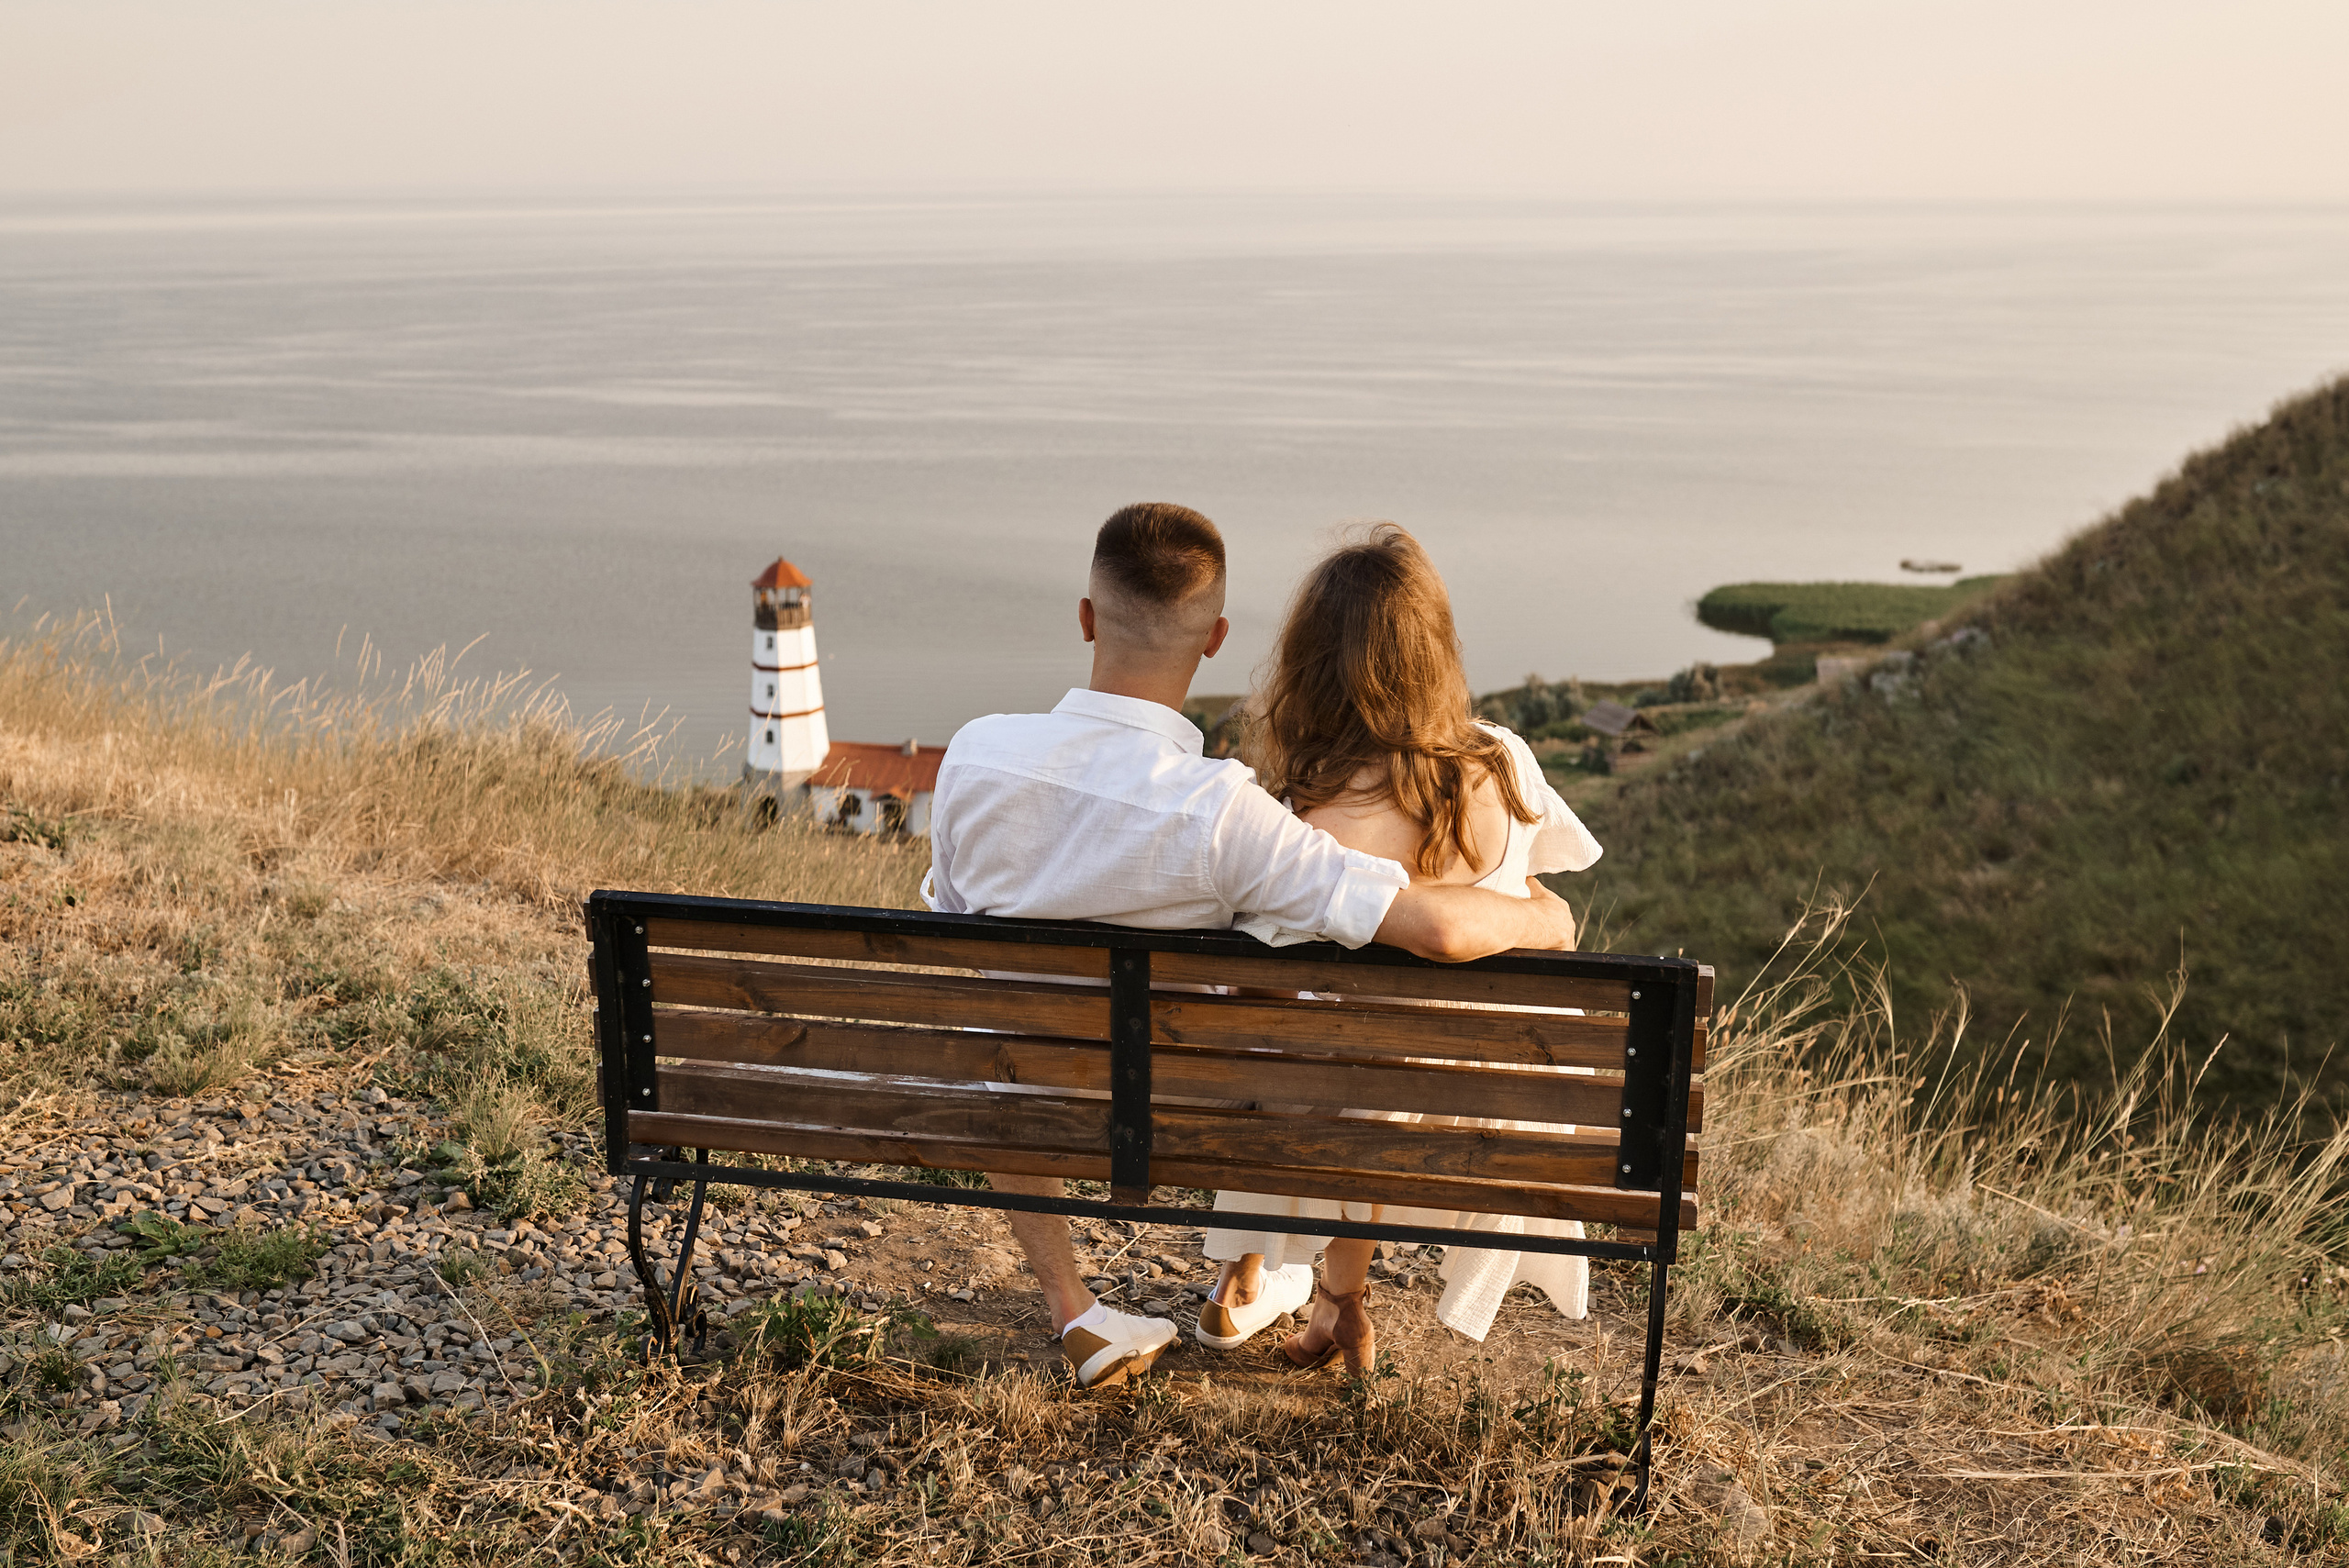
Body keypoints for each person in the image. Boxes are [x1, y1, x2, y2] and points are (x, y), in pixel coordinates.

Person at [922, 502, 1578, 1389]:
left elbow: (955, 935)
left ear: (1085, 617)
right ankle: (1266, 1281)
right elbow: (1439, 926)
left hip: (1012, 1083)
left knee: (997, 1031)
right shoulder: (1229, 815)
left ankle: (1072, 1306)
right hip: (1186, 1113)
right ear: (1217, 638)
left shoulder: (973, 757)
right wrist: (1548, 919)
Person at [1195, 522, 1603, 1377]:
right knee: (1382, 1064)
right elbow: (1548, 880)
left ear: (1310, 666)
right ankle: (1339, 1299)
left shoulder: (1294, 820)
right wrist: (1540, 917)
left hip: (1342, 1111)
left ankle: (1295, 1284)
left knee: (1327, 1065)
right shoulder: (1507, 766)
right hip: (1476, 1112)